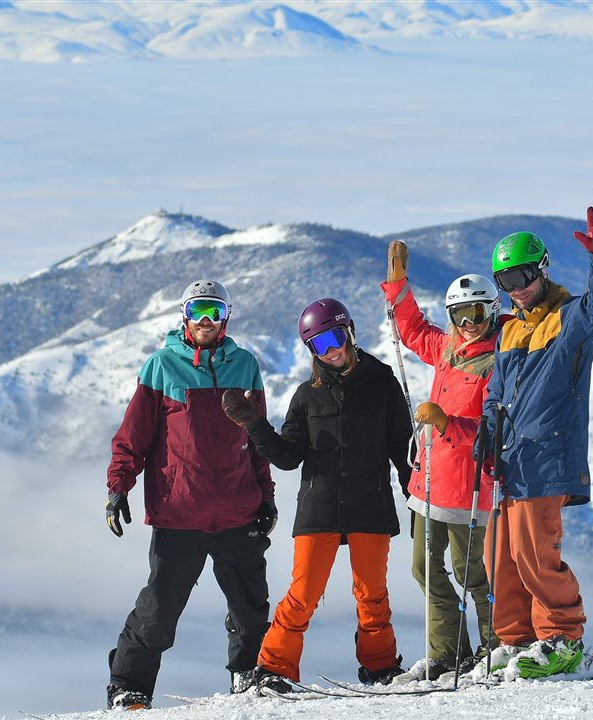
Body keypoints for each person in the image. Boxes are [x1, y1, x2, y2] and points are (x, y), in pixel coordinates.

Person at [220, 298, 412, 694]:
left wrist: (417, 496)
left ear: (350, 332)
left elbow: (402, 448)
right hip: (320, 507)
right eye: (319, 345)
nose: (332, 350)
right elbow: (288, 457)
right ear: (311, 351)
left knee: (372, 595)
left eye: (336, 337)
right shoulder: (307, 395)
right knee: (303, 595)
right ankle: (274, 668)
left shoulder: (384, 384)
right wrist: (255, 426)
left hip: (370, 505)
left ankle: (380, 666)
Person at [104, 279, 278, 710]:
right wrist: (117, 488)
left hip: (238, 509)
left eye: (214, 312)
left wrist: (266, 495)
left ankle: (248, 673)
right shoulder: (162, 366)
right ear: (184, 315)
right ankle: (129, 686)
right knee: (159, 609)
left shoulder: (245, 366)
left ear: (226, 318)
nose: (206, 320)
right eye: (199, 310)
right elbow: (133, 437)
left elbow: (258, 437)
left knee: (250, 604)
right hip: (180, 513)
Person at [479, 204, 593, 678]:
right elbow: (496, 391)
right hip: (511, 458)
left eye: (521, 275)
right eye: (505, 281)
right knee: (499, 556)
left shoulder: (569, 318)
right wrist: (487, 428)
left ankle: (562, 638)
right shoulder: (509, 329)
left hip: (548, 453)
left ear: (541, 268)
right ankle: (516, 640)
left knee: (535, 553)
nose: (516, 288)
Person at [379, 242, 506, 678]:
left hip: (472, 487)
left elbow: (496, 429)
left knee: (471, 572)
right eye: (459, 315)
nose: (469, 323)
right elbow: (412, 329)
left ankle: (495, 648)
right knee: (425, 568)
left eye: (477, 313)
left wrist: (447, 422)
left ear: (492, 311)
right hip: (429, 484)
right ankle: (448, 652)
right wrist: (398, 285)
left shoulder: (500, 361)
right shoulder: (449, 349)